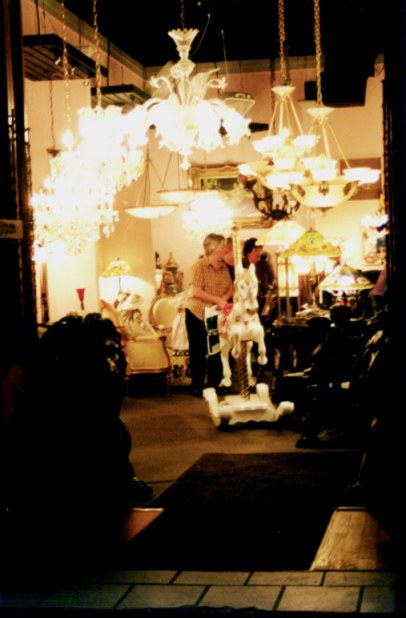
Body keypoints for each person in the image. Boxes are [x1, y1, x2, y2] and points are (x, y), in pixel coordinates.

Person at [184, 233, 234, 398]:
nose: (225, 250)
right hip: (197, 312)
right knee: (198, 350)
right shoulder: (199, 266)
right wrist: (217, 300)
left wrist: (222, 301)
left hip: (215, 314)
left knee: (216, 348)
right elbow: (194, 291)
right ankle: (197, 385)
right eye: (223, 247)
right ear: (213, 249)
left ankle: (214, 383)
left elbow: (229, 290)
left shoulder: (224, 268)